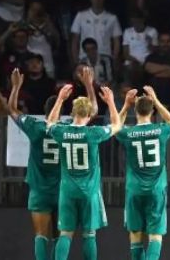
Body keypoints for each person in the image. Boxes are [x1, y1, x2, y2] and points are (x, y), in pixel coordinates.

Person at [46, 84, 123, 260]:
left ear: (73, 113)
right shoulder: (94, 133)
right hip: (89, 191)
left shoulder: (62, 132)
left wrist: (60, 99)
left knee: (65, 234)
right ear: (89, 116)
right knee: (89, 234)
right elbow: (117, 125)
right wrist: (110, 102)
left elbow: (50, 123)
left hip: (67, 191)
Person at [115, 86, 170, 260]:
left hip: (134, 190)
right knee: (155, 235)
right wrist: (156, 100)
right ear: (152, 111)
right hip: (157, 189)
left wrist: (126, 105)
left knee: (135, 235)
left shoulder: (129, 133)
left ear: (136, 110)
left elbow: (116, 126)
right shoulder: (160, 130)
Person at [8, 68, 63, 260]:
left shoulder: (35, 126)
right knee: (59, 237)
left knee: (41, 235)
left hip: (40, 189)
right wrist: (89, 87)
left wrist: (16, 87)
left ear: (45, 111)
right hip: (61, 189)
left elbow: (13, 110)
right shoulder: (68, 128)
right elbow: (92, 112)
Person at [70, 0, 122, 67]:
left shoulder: (112, 18)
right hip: (84, 57)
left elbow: (116, 41)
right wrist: (75, 60)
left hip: (105, 57)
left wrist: (114, 58)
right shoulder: (81, 16)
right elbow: (75, 40)